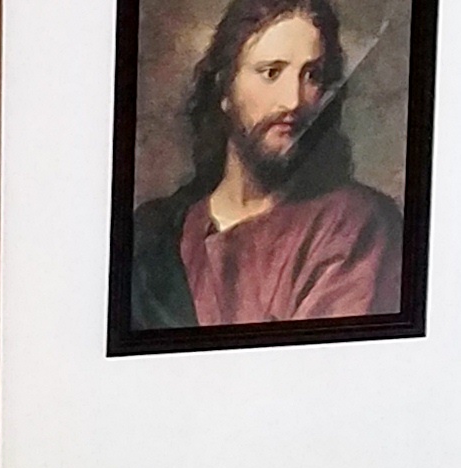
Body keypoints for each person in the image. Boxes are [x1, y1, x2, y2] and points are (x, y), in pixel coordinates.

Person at [128, 0, 402, 329]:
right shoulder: (156, 235)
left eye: (312, 75)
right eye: (271, 72)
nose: (293, 100)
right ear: (225, 89)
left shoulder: (357, 225)